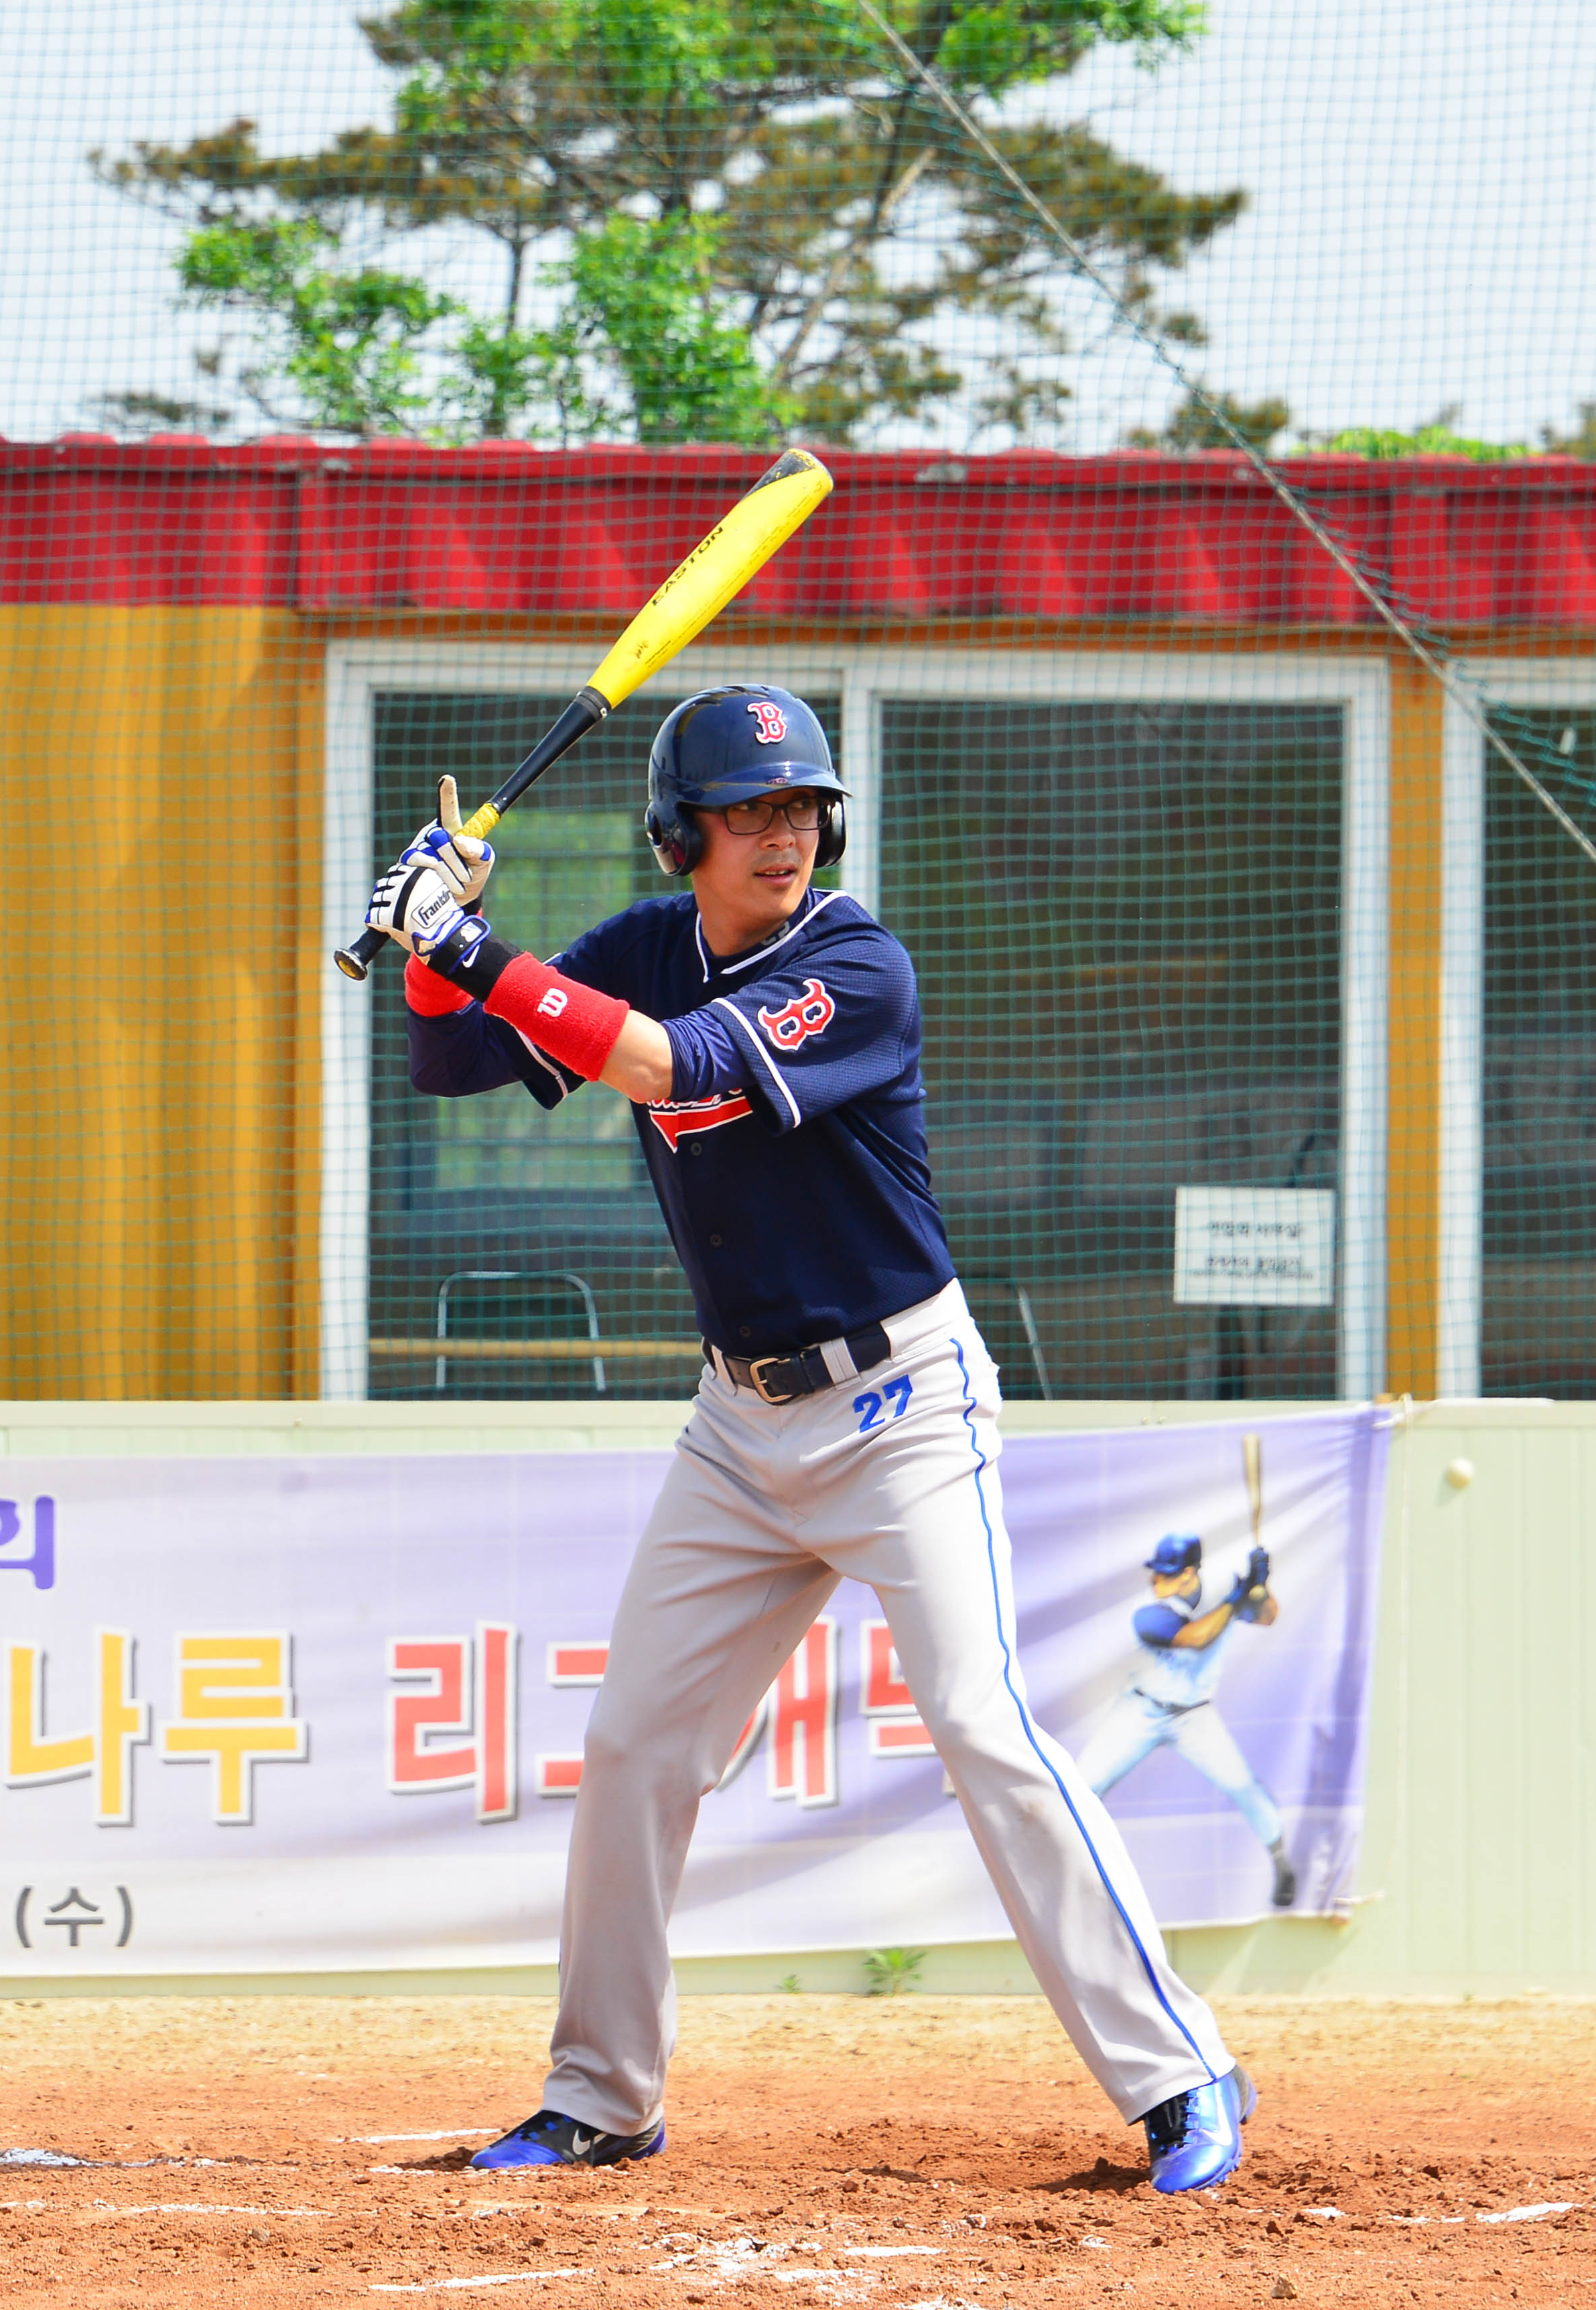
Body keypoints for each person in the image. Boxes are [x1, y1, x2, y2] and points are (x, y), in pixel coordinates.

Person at [367, 682, 1256, 2193]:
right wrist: (431, 954)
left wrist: (466, 946)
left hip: (903, 1406)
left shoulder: (856, 961)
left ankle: (1181, 2073)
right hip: (738, 1421)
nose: (782, 835)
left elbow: (679, 1072)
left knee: (985, 1725)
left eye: (799, 808)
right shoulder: (649, 944)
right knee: (639, 1744)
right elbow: (458, 1066)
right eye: (747, 812)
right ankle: (602, 2095)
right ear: (679, 836)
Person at [1078, 1535, 1297, 1910]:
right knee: (1082, 1788)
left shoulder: (1223, 1588)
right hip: (1142, 1710)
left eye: (1167, 1574)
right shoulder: (1148, 1610)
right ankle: (1075, 1875)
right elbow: (1196, 1637)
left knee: (1244, 1785)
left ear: (1188, 1575)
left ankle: (1281, 1862)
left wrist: (1260, 1588)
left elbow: (1267, 1617)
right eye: (1157, 1572)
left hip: (1194, 1714)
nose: (1156, 1581)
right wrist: (1238, 1596)